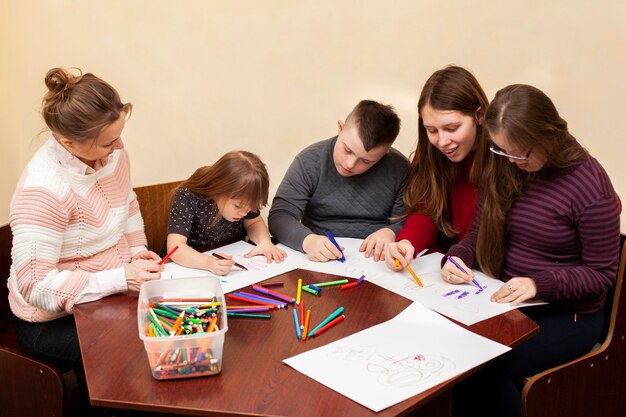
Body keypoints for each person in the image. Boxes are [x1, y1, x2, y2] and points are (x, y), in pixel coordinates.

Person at [441, 84, 621, 417]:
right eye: (502, 150)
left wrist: (538, 284)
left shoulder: (591, 189)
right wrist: (459, 257)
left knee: (484, 365)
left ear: (549, 133)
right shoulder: (506, 162)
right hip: (508, 299)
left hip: (569, 314)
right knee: (451, 351)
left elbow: (601, 275)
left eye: (520, 153)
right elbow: (480, 230)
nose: (512, 161)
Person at [8, 68, 163, 374]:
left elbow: (127, 204)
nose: (119, 148)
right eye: (108, 143)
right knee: (127, 355)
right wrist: (121, 278)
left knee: (165, 330)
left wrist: (135, 253)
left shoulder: (114, 152)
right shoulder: (42, 190)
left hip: (107, 295)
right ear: (69, 143)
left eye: (119, 137)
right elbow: (35, 286)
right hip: (49, 320)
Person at [268, 99, 408, 262]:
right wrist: (308, 241)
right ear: (340, 129)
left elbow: (409, 222)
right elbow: (280, 216)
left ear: (384, 154)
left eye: (366, 161)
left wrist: (391, 232)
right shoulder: (309, 161)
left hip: (377, 260)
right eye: (347, 150)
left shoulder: (400, 168)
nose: (350, 164)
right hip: (319, 258)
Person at [383, 65, 489, 271]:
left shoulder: (505, 159)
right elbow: (427, 210)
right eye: (431, 130)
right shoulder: (432, 155)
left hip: (485, 274)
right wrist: (407, 243)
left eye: (452, 128)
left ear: (479, 115)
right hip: (443, 269)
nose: (441, 141)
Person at [165, 151, 286, 275]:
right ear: (218, 188)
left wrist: (264, 241)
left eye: (250, 208)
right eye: (238, 206)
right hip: (191, 267)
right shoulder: (187, 197)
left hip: (231, 257)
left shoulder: (245, 195)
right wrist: (208, 263)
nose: (244, 213)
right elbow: (175, 248)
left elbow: (254, 222)